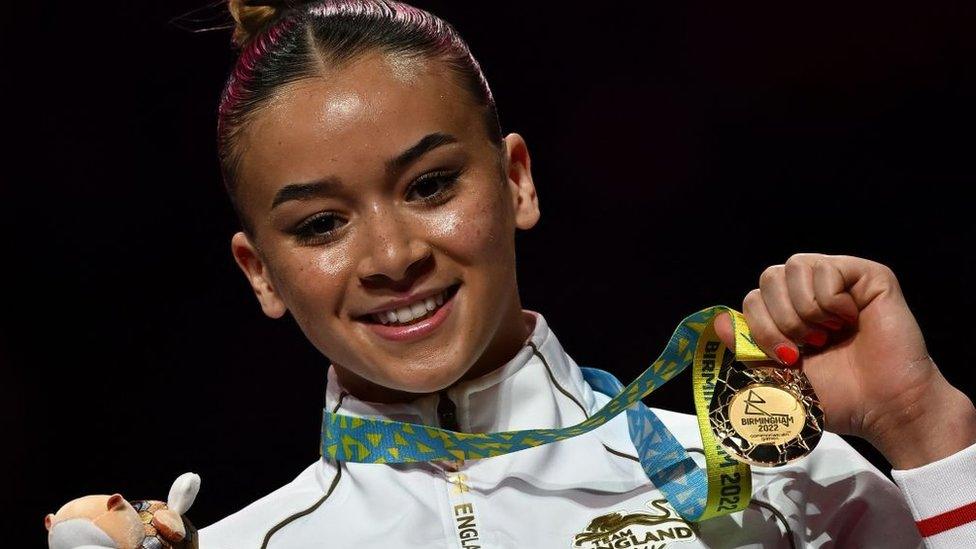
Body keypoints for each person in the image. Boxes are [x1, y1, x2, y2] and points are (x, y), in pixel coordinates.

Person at [198, 1, 976, 547]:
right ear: (260, 270)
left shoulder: (779, 488)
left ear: (516, 181)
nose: (393, 256)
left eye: (430, 185)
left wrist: (926, 431)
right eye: (322, 224)